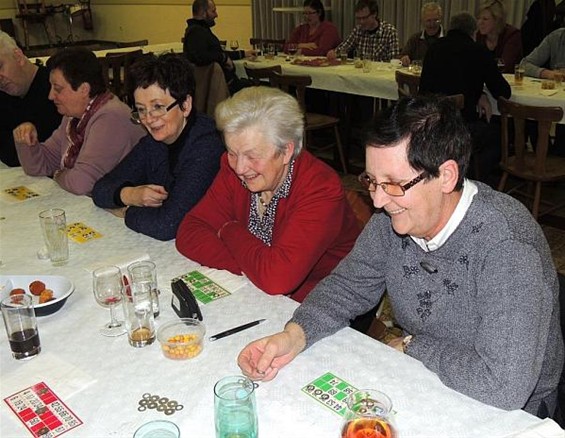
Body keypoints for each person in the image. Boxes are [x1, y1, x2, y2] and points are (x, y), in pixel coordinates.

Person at [237, 95, 564, 418]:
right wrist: (294, 335)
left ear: (446, 176)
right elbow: (348, 287)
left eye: (393, 184)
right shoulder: (393, 218)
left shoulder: (507, 248)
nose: (378, 201)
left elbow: (504, 385)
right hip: (429, 375)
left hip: (513, 411)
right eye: (371, 181)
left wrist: (412, 346)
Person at [176, 86, 360, 303]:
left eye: (252, 156)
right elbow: (189, 231)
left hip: (325, 303)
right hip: (259, 293)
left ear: (286, 151)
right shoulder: (233, 169)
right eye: (232, 153)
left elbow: (277, 280)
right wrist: (251, 271)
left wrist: (228, 229)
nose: (240, 168)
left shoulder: (320, 188)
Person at [91, 53, 224, 241]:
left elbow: (167, 226)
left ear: (185, 105)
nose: (149, 119)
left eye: (158, 107)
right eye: (142, 110)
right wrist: (131, 194)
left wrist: (126, 211)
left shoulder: (207, 147)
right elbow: (100, 189)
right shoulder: (154, 142)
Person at [14, 47, 145, 196]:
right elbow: (40, 166)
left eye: (57, 88)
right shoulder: (73, 118)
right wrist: (27, 141)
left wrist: (57, 174)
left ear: (84, 89)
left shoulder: (110, 117)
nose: (50, 96)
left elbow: (82, 184)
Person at [419, 12, 511, 184]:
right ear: (473, 32)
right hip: (462, 127)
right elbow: (503, 92)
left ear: (450, 28)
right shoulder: (478, 51)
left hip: (430, 124)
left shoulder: (434, 48)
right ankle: (476, 180)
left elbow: (425, 88)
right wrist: (477, 92)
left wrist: (479, 93)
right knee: (500, 134)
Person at [0, 31, 61, 167]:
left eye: (0, 66)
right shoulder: (3, 95)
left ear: (18, 56)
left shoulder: (56, 90)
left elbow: (54, 152)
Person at [183, 0, 252, 94]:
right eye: (213, 11)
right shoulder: (196, 33)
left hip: (222, 85)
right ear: (203, 13)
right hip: (221, 88)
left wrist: (242, 53)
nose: (216, 15)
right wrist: (224, 58)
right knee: (258, 87)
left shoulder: (201, 30)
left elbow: (215, 52)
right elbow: (201, 56)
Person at [327, 0, 399, 62]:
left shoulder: (389, 32)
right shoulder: (358, 30)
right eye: (358, 18)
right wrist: (334, 53)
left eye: (364, 18)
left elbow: (394, 62)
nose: (361, 22)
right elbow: (344, 47)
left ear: (374, 14)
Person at [475, 0, 522, 74]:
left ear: (497, 21)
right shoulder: (480, 35)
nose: (479, 23)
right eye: (478, 18)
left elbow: (506, 66)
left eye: (485, 19)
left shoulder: (512, 35)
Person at [399, 2, 444, 67]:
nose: (432, 24)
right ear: (422, 21)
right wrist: (404, 58)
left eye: (436, 20)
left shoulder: (449, 38)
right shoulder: (415, 39)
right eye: (428, 21)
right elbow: (402, 56)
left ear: (441, 19)